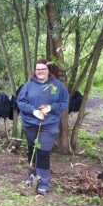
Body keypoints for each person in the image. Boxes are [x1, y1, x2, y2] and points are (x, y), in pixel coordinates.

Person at [17, 59, 69, 195]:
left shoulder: (57, 85)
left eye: (43, 69)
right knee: (32, 149)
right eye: (38, 69)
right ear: (35, 71)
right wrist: (34, 111)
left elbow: (64, 102)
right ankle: (31, 175)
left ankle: (43, 182)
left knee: (43, 152)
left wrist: (50, 107)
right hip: (30, 123)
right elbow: (21, 102)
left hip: (49, 124)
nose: (40, 71)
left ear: (48, 70)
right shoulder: (28, 86)